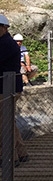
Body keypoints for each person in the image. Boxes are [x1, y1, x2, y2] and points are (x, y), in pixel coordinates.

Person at [0, 15, 27, 164]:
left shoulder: (5, 44)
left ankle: (8, 156)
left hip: (5, 88)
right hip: (9, 87)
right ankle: (21, 152)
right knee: (8, 120)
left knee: (3, 124)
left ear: (4, 28)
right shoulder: (7, 43)